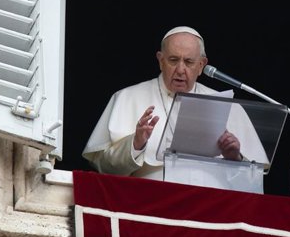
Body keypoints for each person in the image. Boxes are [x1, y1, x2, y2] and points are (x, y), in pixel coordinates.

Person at [82, 26, 243, 179]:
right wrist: (135, 144)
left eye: (188, 62)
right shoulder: (127, 97)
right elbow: (102, 166)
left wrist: (234, 158)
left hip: (208, 202)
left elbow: (249, 179)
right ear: (161, 60)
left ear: (201, 65)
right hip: (148, 202)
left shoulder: (222, 102)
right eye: (173, 60)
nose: (180, 69)